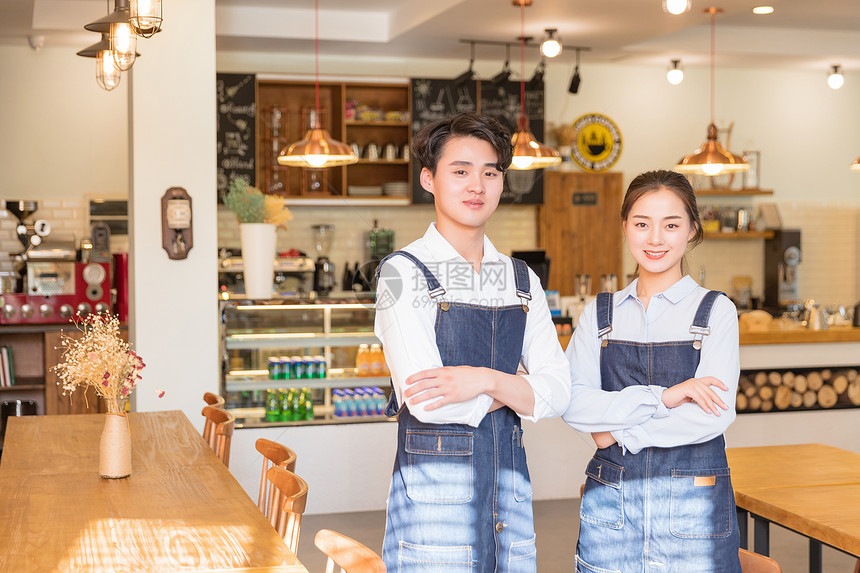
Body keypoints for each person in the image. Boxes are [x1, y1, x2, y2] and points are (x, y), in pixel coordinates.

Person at [374, 111, 570, 572]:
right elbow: (428, 403)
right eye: (460, 171)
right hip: (433, 499)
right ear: (429, 179)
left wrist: (478, 379)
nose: (476, 185)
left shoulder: (521, 279)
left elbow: (559, 392)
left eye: (490, 172)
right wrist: (517, 389)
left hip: (512, 493)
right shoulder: (399, 274)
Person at [562, 169, 742, 572]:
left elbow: (712, 413)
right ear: (625, 226)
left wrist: (619, 432)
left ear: (692, 229)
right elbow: (572, 401)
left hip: (693, 509)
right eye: (642, 224)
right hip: (612, 503)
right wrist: (666, 397)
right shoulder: (599, 315)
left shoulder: (716, 312)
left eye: (671, 224)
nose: (655, 239)